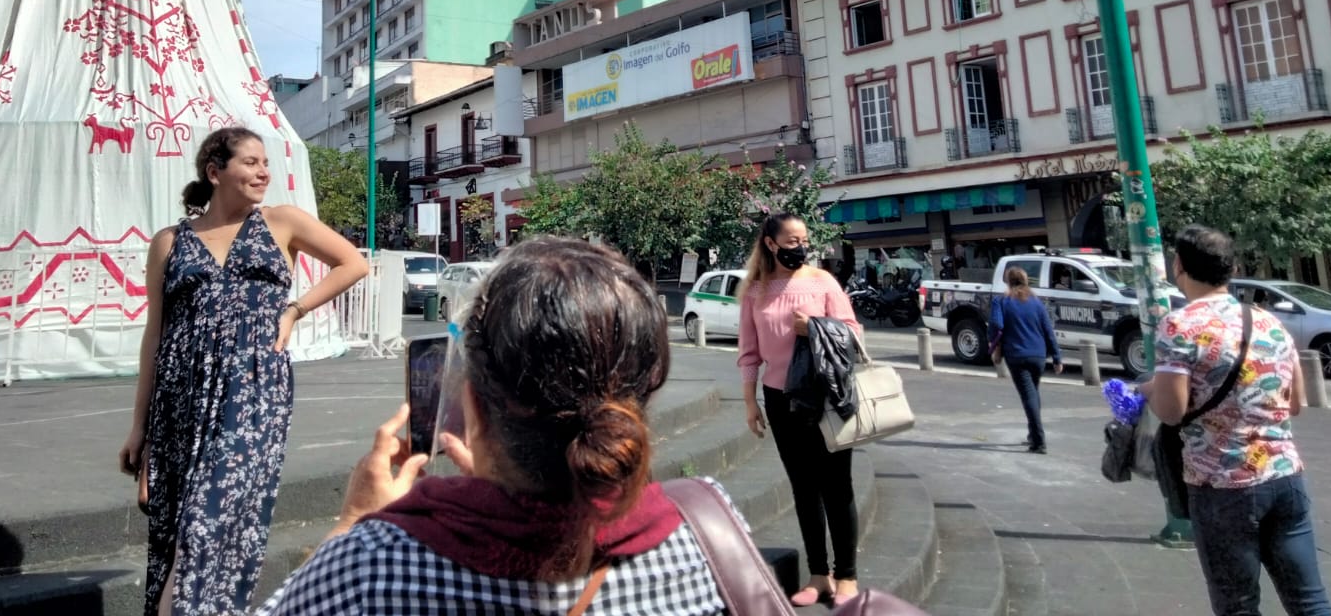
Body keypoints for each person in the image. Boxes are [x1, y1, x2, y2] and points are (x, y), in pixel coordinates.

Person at [255, 238, 741, 615]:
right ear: (643, 393)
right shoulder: (707, 532)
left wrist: (347, 525)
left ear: (471, 402)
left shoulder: (366, 569)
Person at [120, 126, 369, 616]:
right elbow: (155, 335)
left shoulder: (281, 222)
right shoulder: (169, 242)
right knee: (176, 528)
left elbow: (352, 263)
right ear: (215, 172)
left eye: (265, 163)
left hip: (253, 393)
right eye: (250, 163)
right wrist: (139, 426)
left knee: (208, 523)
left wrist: (294, 310)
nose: (263, 172)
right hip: (180, 395)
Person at [1145, 225, 1331, 616]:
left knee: (1238, 606)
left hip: (1221, 487)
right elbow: (1294, 402)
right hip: (1285, 479)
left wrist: (1147, 390)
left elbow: (1171, 411)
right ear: (1229, 268)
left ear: (1178, 266)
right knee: (1309, 600)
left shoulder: (1180, 326)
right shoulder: (1266, 320)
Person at [737, 213, 864, 607]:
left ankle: (847, 576)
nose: (800, 247)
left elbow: (854, 331)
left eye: (803, 239)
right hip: (780, 399)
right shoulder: (755, 291)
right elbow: (749, 353)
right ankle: (817, 574)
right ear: (771, 243)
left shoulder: (822, 281)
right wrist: (749, 402)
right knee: (803, 488)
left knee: (837, 487)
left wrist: (817, 328)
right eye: (791, 240)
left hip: (826, 395)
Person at [988, 266, 1063, 453]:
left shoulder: (1002, 301)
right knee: (1033, 392)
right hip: (1038, 354)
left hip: (1016, 354)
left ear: (1007, 281)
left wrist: (993, 343)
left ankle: (1039, 441)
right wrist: (1056, 357)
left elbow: (996, 324)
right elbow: (1048, 331)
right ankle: (1032, 434)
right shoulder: (1036, 302)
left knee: (1028, 395)